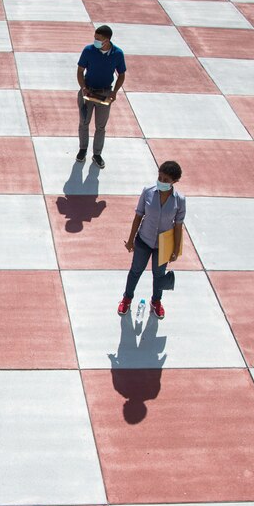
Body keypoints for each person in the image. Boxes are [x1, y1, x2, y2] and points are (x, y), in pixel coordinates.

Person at [118, 161, 186, 319]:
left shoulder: (180, 200)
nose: (161, 182)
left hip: (163, 245)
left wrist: (175, 250)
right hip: (144, 240)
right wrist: (130, 240)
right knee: (135, 271)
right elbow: (138, 216)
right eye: (159, 177)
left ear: (174, 182)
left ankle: (156, 301)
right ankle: (127, 298)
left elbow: (178, 226)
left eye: (166, 180)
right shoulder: (148, 192)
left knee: (159, 275)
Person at [76, 25, 126, 169]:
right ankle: (82, 150)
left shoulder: (117, 54)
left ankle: (97, 153)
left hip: (104, 93)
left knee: (100, 126)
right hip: (88, 92)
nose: (95, 41)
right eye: (95, 38)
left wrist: (114, 91)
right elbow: (80, 71)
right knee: (84, 122)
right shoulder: (88, 50)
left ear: (107, 40)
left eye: (99, 39)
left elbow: (121, 74)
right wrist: (83, 88)